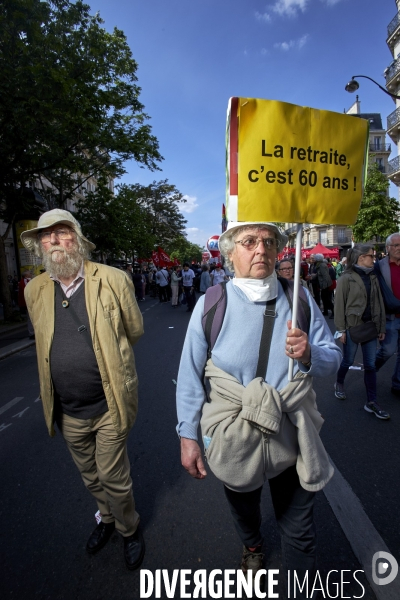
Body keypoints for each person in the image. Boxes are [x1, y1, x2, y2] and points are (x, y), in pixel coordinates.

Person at [176, 221, 341, 593]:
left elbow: (333, 357)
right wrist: (188, 435)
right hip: (234, 431)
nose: (260, 249)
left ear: (280, 250)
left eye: (268, 241)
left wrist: (311, 354)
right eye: (249, 241)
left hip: (290, 431)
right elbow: (189, 375)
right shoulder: (211, 303)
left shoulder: (299, 297)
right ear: (230, 253)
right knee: (244, 507)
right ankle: (252, 545)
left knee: (299, 529)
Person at [21, 209, 145, 570]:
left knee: (112, 475)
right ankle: (106, 519)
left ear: (76, 238)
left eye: (61, 232)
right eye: (46, 236)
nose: (53, 241)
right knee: (90, 474)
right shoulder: (34, 289)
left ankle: (129, 528)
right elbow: (43, 339)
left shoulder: (113, 279)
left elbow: (133, 330)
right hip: (67, 408)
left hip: (108, 403)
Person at [334, 244, 388, 419]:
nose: (374, 259)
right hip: (352, 327)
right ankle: (339, 382)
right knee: (348, 360)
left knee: (370, 365)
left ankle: (371, 402)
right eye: (371, 256)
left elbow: (378, 303)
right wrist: (341, 330)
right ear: (360, 258)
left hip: (371, 327)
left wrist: (381, 327)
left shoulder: (373, 277)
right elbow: (339, 306)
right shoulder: (346, 278)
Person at [375, 232, 400, 396]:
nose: (399, 249)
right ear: (388, 248)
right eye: (396, 246)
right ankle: (371, 368)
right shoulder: (380, 266)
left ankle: (397, 384)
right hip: (390, 317)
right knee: (388, 351)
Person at [309, 254, 334, 318]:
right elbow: (319, 274)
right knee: (324, 298)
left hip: (325, 285)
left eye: (314, 258)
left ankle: (333, 312)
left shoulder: (321, 265)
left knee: (327, 299)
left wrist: (325, 285)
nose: (313, 260)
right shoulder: (319, 265)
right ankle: (325, 311)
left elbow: (325, 276)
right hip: (323, 284)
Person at [18, 269, 35, 338]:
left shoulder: (30, 280)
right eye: (29, 273)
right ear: (26, 275)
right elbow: (27, 291)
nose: (30, 273)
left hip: (31, 302)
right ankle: (31, 333)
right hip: (28, 302)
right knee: (30, 318)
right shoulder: (24, 281)